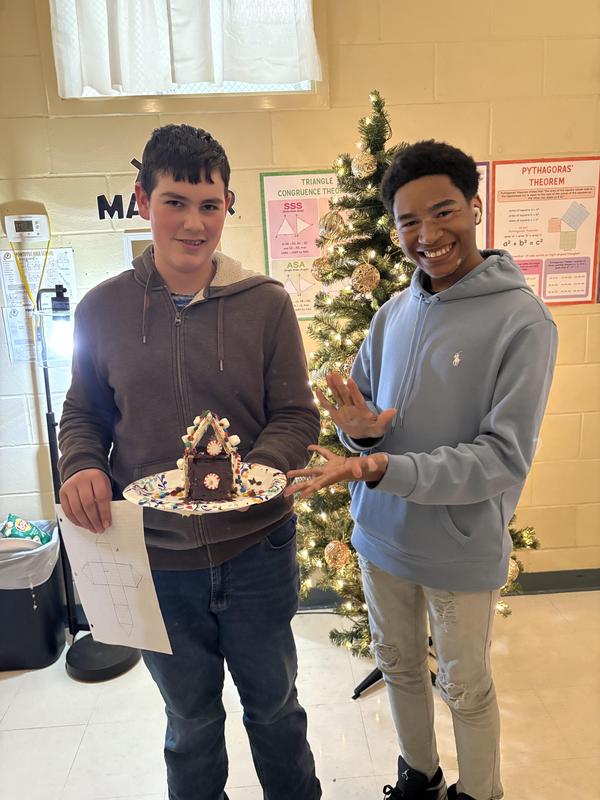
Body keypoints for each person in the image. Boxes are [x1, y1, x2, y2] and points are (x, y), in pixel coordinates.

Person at [286, 140, 558, 800]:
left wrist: (383, 464)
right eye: (409, 222)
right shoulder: (391, 314)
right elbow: (374, 415)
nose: (428, 235)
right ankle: (419, 777)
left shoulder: (523, 321)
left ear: (474, 205)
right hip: (380, 537)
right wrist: (360, 428)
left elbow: (501, 457)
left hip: (459, 546)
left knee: (464, 685)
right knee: (399, 665)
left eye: (443, 213)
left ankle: (479, 792)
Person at [58, 124, 322, 800]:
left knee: (275, 712)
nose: (194, 223)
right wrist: (80, 465)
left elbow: (297, 415)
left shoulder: (266, 304)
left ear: (228, 205)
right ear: (143, 200)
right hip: (156, 561)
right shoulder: (101, 309)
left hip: (257, 550)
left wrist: (258, 472)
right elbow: (84, 413)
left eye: (210, 205)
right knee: (191, 721)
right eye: (176, 202)